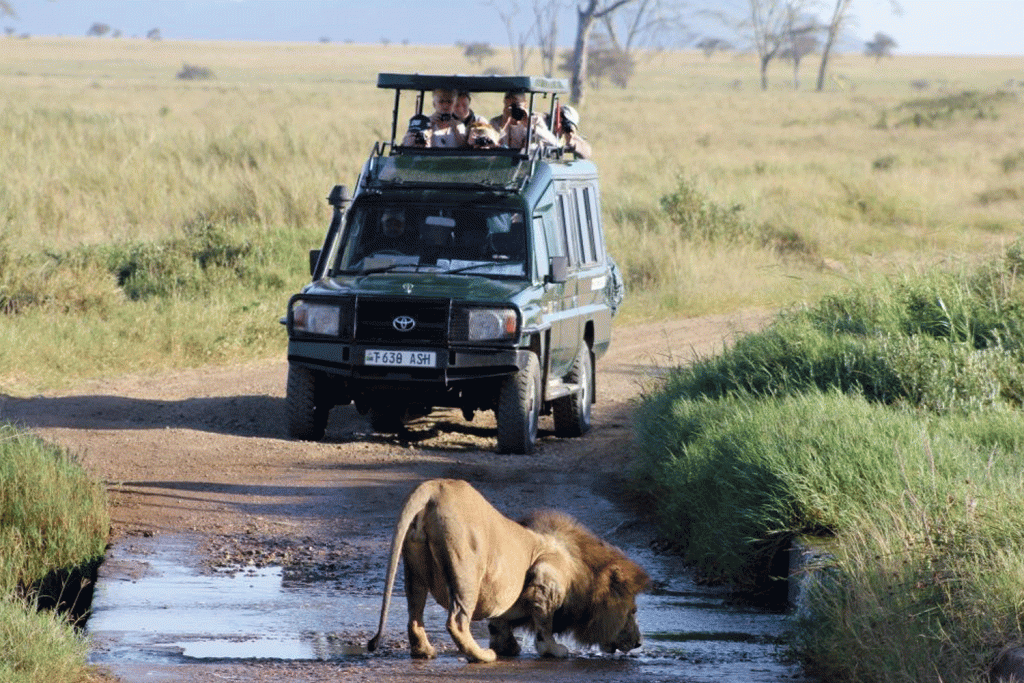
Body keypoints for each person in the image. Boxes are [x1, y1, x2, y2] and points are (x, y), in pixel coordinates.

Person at [489, 91, 558, 151]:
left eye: (516, 104)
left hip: (528, 163)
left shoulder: (535, 120)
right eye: (509, 104)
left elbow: (554, 143)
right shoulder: (496, 122)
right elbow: (489, 143)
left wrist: (531, 127)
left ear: (525, 104)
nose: (514, 109)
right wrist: (504, 124)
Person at [401, 88, 466, 148]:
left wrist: (455, 129)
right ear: (434, 104)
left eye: (449, 102)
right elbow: (407, 145)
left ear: (454, 105)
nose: (445, 105)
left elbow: (465, 149)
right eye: (441, 101)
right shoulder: (422, 123)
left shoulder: (459, 126)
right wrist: (426, 127)